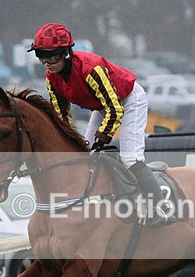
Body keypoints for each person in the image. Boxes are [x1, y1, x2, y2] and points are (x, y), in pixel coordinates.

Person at [27, 22, 168, 225]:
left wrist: (104, 136)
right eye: (41, 55)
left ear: (66, 53)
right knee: (85, 154)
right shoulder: (52, 78)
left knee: (130, 157)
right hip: (103, 106)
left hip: (129, 100)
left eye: (51, 55)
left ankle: (160, 208)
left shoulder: (91, 69)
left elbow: (116, 109)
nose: (46, 62)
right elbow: (62, 117)